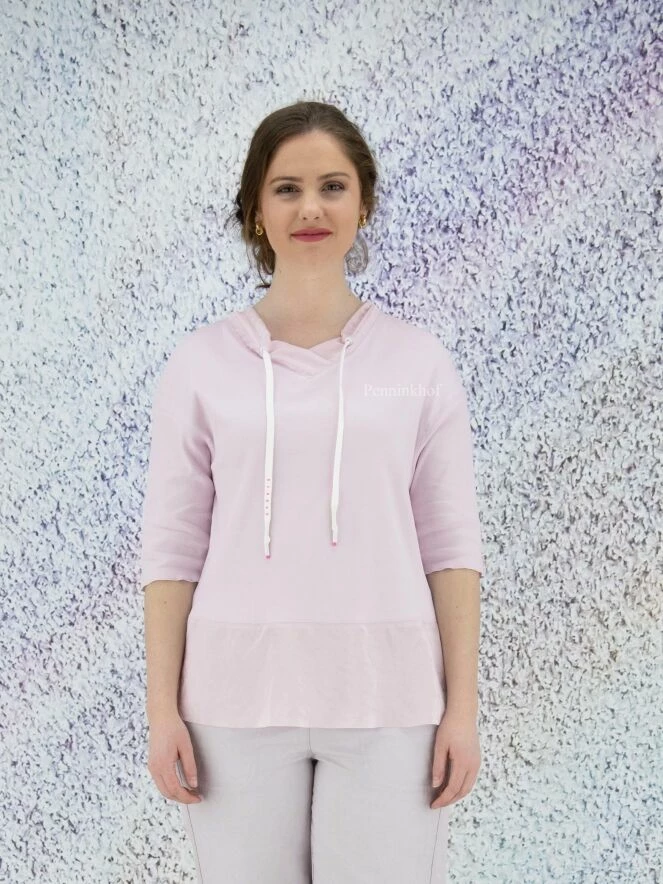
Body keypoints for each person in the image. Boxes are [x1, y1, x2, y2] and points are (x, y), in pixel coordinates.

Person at [140, 100, 485, 883]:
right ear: (255, 211)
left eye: (332, 186)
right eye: (286, 188)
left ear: (362, 204)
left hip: (390, 702)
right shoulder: (200, 365)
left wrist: (461, 709)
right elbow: (171, 550)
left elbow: (450, 547)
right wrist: (162, 711)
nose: (310, 208)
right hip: (231, 703)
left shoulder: (416, 363)